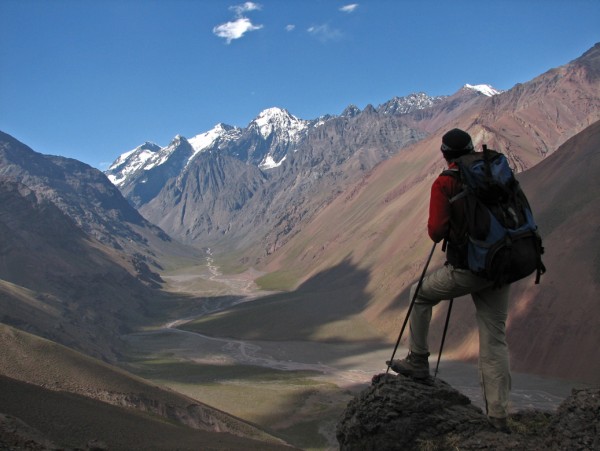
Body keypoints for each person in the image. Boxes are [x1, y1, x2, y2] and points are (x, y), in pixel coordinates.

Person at [388, 128, 512, 433]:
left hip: (470, 267)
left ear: (444, 154)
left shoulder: (445, 181)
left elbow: (436, 232)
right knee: (494, 340)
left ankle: (418, 360)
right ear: (470, 149)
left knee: (419, 294)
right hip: (502, 264)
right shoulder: (493, 169)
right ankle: (498, 416)